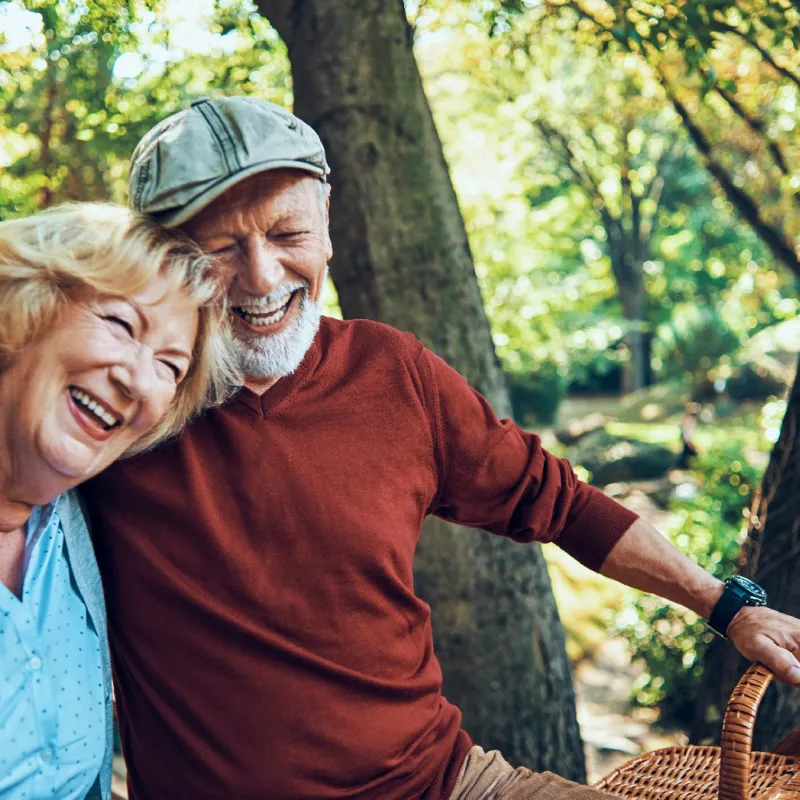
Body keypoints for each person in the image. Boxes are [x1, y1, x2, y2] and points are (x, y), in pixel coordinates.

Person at [82, 98, 800, 800]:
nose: (263, 276)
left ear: (327, 226)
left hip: (446, 783)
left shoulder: (391, 373)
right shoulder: (113, 405)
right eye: (220, 247)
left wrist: (727, 605)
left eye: (286, 234)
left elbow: (561, 502)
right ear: (161, 261)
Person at [0, 203, 238, 800]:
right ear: (26, 304)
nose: (138, 380)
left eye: (169, 366)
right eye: (121, 323)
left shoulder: (73, 535)